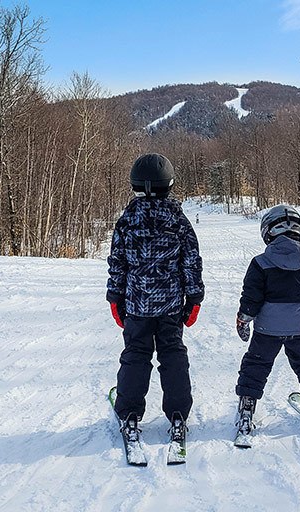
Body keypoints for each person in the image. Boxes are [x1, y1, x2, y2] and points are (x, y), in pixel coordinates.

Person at [107, 153, 204, 449]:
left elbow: (118, 263)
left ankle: (129, 412)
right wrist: (194, 297)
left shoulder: (127, 220)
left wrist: (115, 296)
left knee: (136, 354)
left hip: (137, 304)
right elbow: (191, 262)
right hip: (171, 306)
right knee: (172, 355)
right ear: (169, 184)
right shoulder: (178, 219)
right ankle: (177, 412)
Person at [234, 205, 300, 439]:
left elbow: (251, 297)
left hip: (267, 329)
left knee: (256, 365)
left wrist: (243, 319)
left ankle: (247, 407)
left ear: (268, 231)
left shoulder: (260, 262)